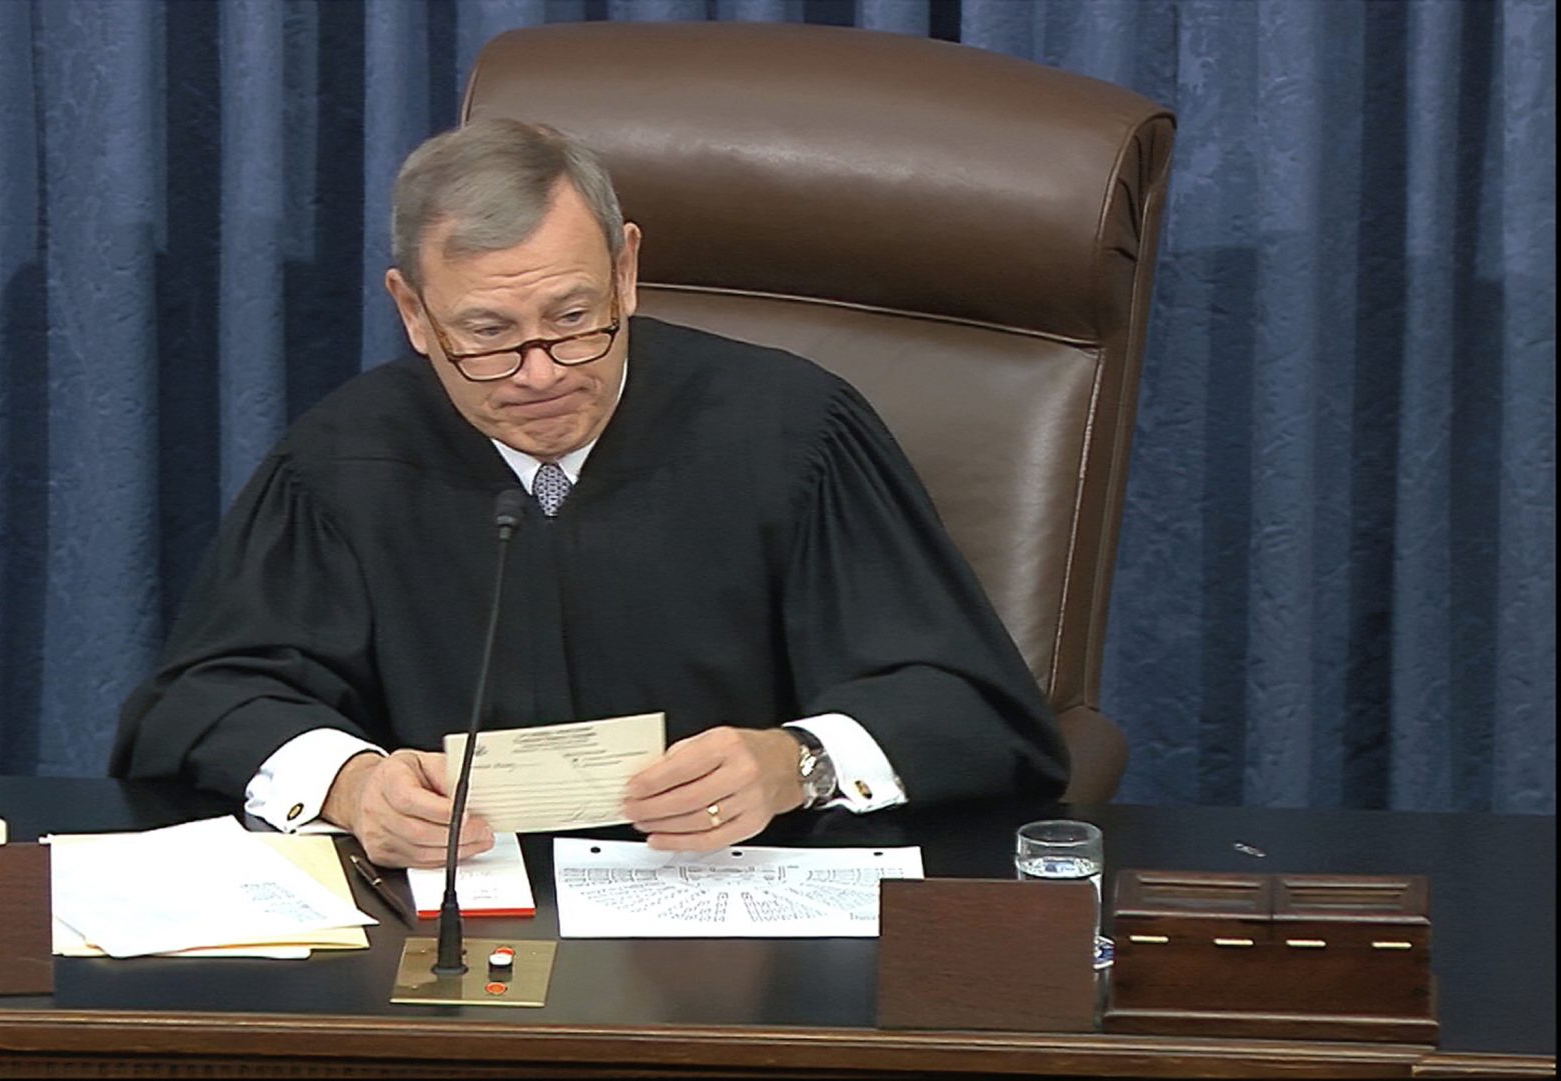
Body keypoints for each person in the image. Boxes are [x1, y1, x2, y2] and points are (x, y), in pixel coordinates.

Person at [112, 118, 1068, 868]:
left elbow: (972, 706)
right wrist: (352, 785)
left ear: (626, 269)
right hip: (448, 936)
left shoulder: (792, 432)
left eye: (574, 318)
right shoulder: (344, 461)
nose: (539, 372)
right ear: (411, 309)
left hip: (747, 923)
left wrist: (796, 763)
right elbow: (204, 700)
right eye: (486, 333)